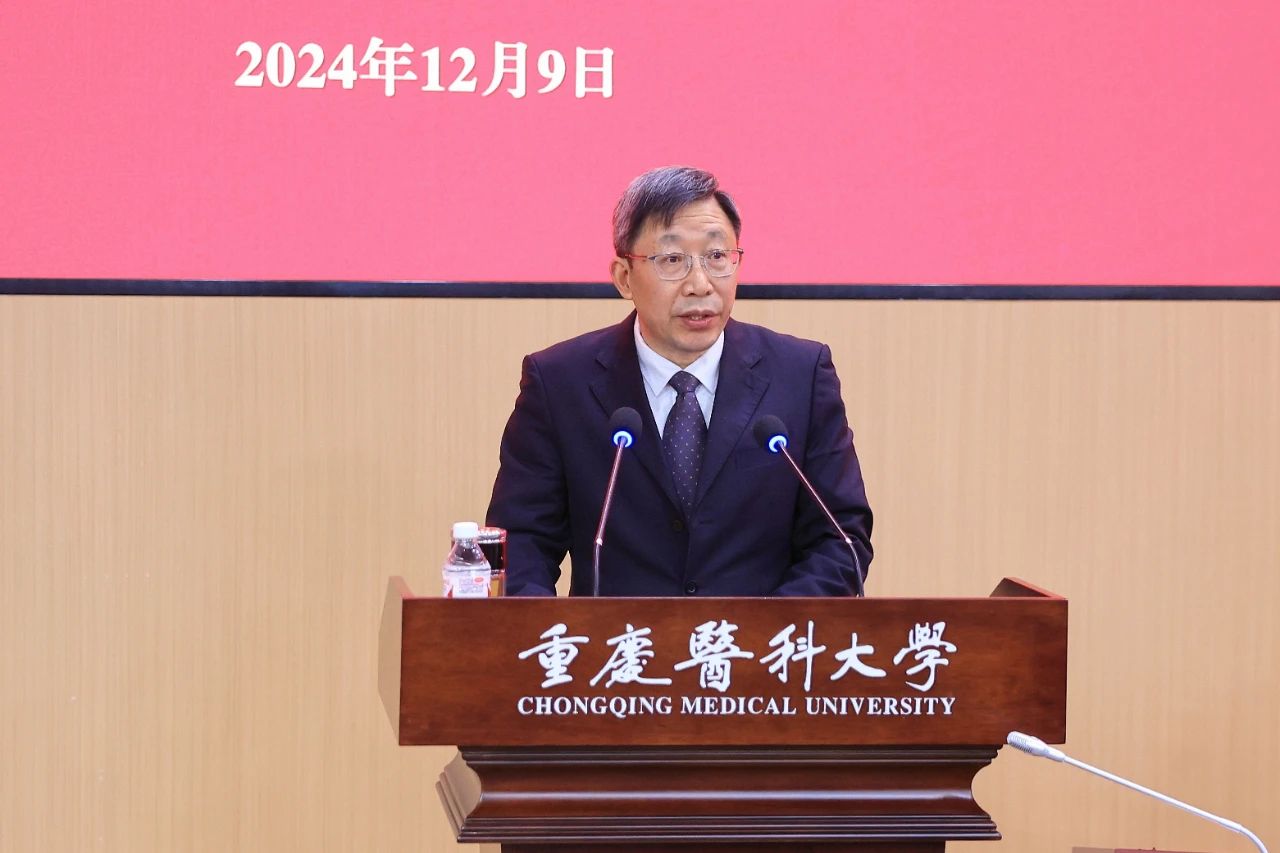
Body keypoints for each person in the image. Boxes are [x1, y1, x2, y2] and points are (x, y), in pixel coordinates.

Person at [486, 166, 872, 596]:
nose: (700, 284)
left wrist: (766, 631)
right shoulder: (559, 383)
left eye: (717, 256)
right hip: (615, 640)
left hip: (760, 639)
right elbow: (519, 545)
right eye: (672, 260)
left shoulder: (801, 375)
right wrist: (558, 635)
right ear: (624, 277)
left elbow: (840, 541)